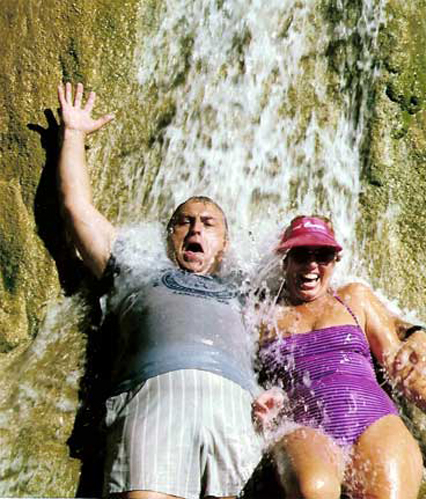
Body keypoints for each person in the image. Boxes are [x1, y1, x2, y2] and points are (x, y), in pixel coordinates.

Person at [57, 82, 262, 499]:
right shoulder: (136, 266)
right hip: (153, 392)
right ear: (169, 236)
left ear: (224, 243)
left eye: (208, 223)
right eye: (185, 221)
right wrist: (73, 135)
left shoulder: (247, 288)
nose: (196, 228)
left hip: (233, 403)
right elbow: (77, 209)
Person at [253, 216, 426, 499]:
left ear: (335, 262)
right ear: (285, 261)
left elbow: (402, 371)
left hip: (373, 420)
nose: (311, 265)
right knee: (314, 492)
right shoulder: (262, 314)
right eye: (301, 254)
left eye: (322, 255)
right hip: (305, 426)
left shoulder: (354, 298)